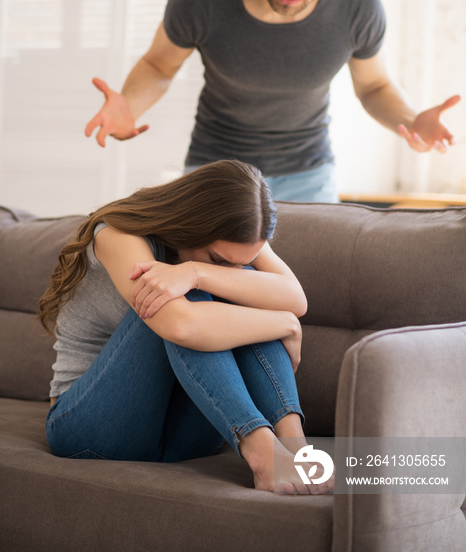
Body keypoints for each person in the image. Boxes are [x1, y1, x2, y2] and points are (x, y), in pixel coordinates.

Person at [84, 0, 460, 203]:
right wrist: (129, 105)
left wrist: (410, 120)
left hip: (309, 174)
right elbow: (158, 65)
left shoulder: (358, 7)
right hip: (216, 171)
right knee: (204, 281)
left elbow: (374, 86)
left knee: (309, 284)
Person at [38, 159, 333, 494]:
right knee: (172, 296)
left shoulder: (237, 237)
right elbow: (181, 326)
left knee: (243, 285)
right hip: (92, 428)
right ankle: (260, 449)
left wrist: (198, 270)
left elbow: (295, 299)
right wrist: (284, 324)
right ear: (191, 224)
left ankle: (296, 448)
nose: (229, 267)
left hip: (185, 433)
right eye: (218, 259)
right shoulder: (118, 235)